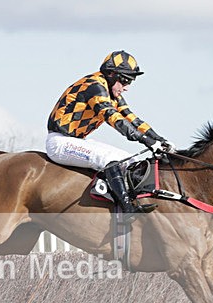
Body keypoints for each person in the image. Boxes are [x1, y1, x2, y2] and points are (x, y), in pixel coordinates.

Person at [46, 50, 174, 215]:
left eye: (130, 82)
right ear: (112, 74)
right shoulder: (95, 87)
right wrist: (146, 141)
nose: (127, 87)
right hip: (59, 142)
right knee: (110, 160)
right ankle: (127, 209)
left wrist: (160, 139)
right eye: (125, 81)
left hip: (77, 140)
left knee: (129, 160)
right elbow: (113, 118)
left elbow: (133, 119)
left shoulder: (110, 92)